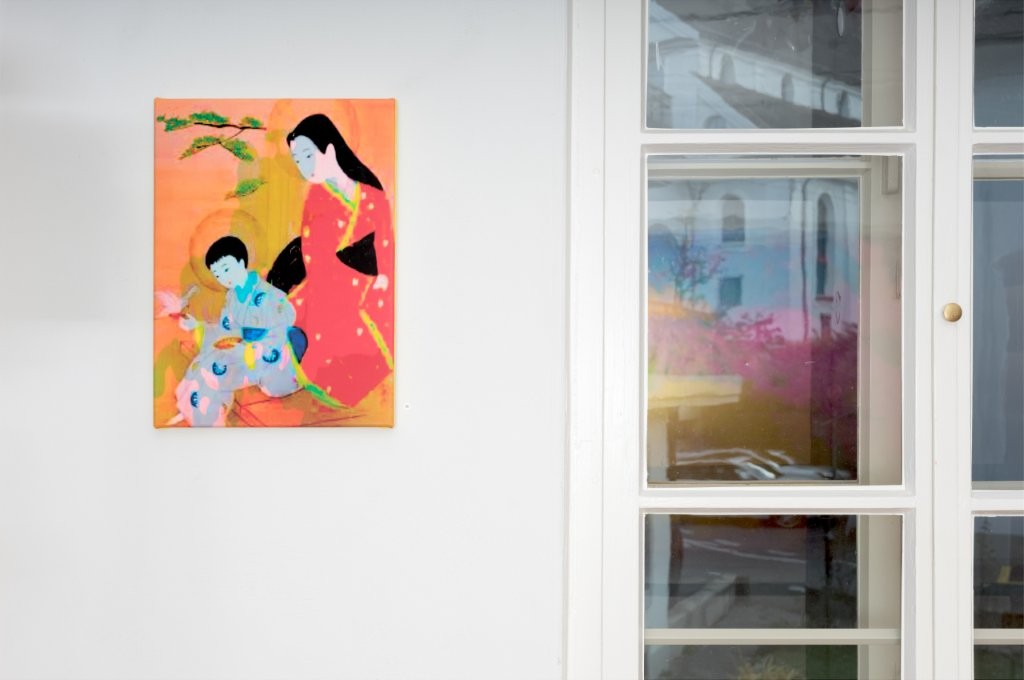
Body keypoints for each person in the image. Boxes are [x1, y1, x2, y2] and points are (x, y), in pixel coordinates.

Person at [267, 113, 394, 407]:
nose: (304, 166)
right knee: (310, 317)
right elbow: (311, 251)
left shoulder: (372, 196)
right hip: (329, 284)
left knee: (360, 333)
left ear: (330, 149)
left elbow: (385, 243)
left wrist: (382, 277)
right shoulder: (316, 197)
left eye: (308, 155)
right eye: (298, 160)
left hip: (370, 284)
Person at [171, 236, 302, 426]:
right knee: (203, 360)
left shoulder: (267, 293)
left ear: (241, 262)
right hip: (246, 349)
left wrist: (250, 347)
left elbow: (283, 325)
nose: (224, 278)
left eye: (226, 269)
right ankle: (190, 409)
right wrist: (197, 326)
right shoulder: (232, 296)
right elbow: (226, 329)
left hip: (272, 359)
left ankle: (206, 419)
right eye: (218, 275)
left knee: (216, 367)